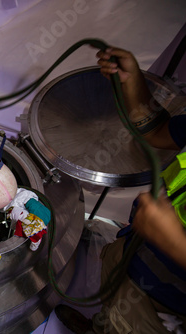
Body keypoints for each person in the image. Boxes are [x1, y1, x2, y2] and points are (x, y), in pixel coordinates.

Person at [56, 27, 186, 334]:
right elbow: (157, 131)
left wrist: (176, 244)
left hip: (164, 306)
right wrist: (134, 83)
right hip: (133, 255)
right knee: (113, 308)